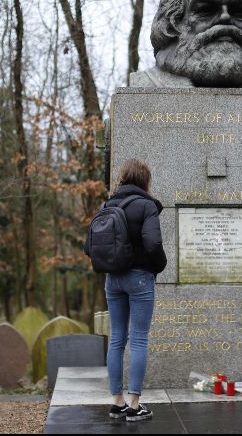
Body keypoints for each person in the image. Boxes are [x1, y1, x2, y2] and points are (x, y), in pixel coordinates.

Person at [103, 159, 167, 422]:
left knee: (117, 338)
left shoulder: (107, 205)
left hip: (112, 279)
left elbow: (90, 246)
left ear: (122, 179)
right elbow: (153, 243)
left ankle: (116, 402)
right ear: (145, 181)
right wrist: (159, 266)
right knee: (139, 338)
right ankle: (134, 405)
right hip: (139, 277)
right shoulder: (146, 205)